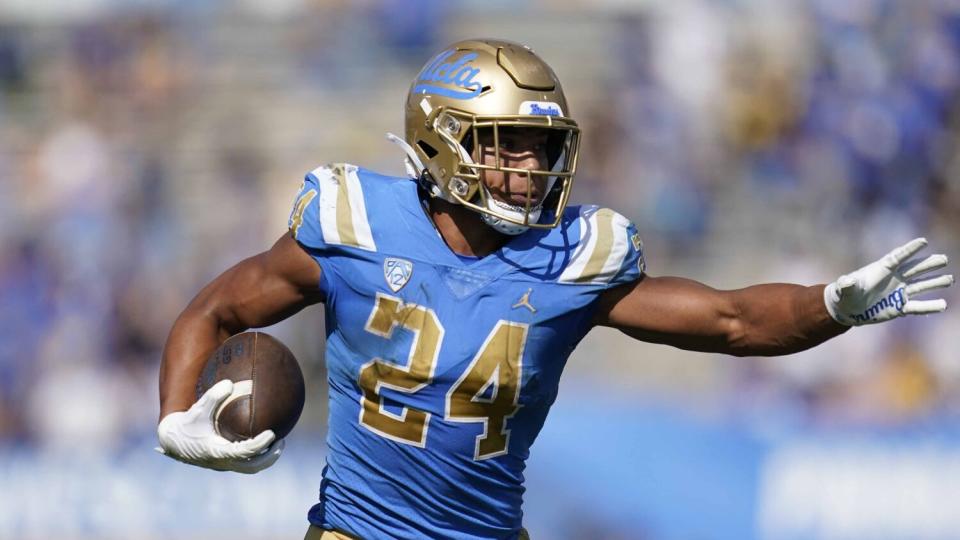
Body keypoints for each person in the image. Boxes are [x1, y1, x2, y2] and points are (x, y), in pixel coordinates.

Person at [156, 39, 954, 540]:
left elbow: (733, 321)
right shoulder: (354, 223)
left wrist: (831, 307)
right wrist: (173, 419)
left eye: (542, 149)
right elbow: (218, 308)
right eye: (509, 147)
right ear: (443, 142)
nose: (532, 169)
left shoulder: (574, 256)